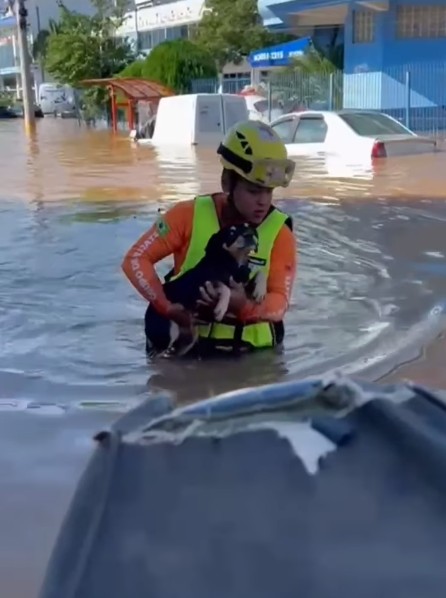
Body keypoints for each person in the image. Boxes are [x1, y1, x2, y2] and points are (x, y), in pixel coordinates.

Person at [121, 119, 298, 355]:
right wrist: (167, 307)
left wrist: (244, 306)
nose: (263, 201)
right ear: (227, 182)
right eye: (254, 190)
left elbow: (279, 303)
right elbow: (135, 260)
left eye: (269, 191)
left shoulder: (280, 233)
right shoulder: (187, 215)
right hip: (187, 352)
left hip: (254, 359)